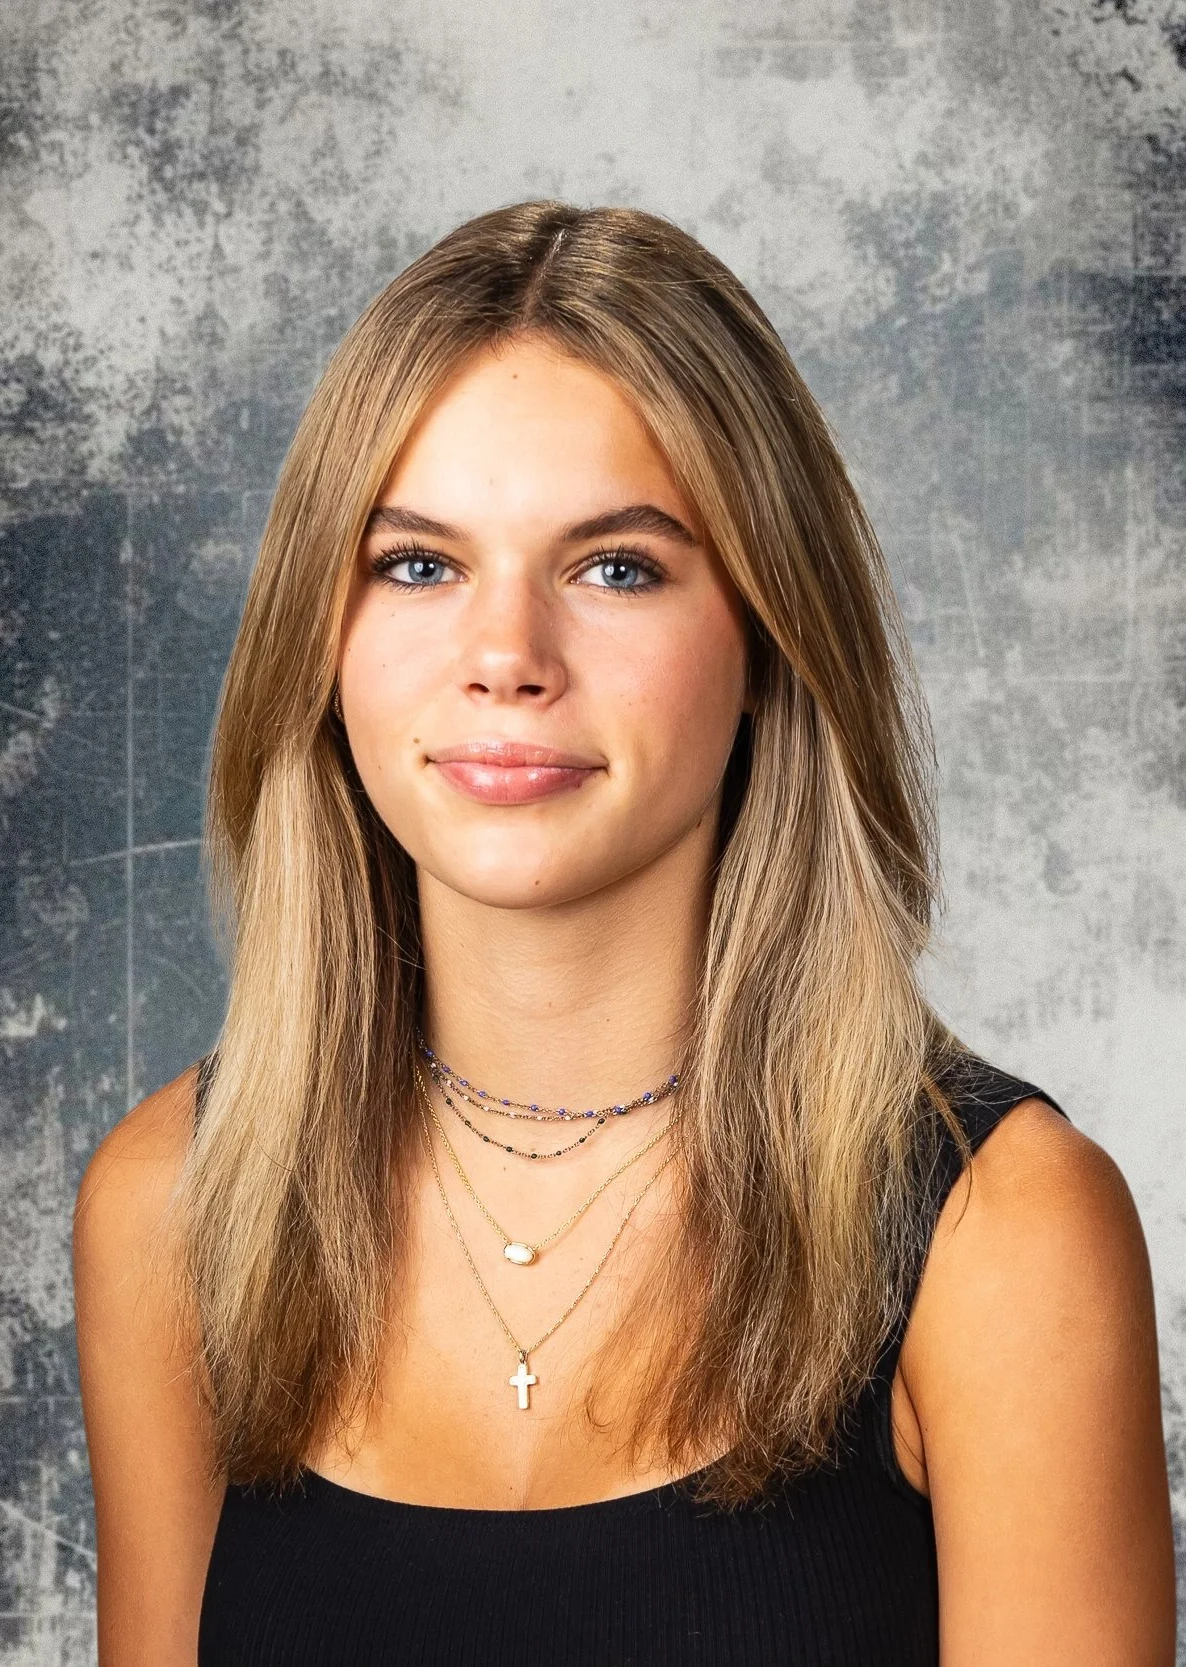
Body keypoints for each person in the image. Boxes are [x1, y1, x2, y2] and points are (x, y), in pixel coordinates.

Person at [73, 202, 1176, 1665]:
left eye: (614, 567)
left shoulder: (1000, 1234)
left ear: (769, 641)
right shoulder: (174, 1209)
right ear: (317, 634)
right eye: (416, 563)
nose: (505, 659)